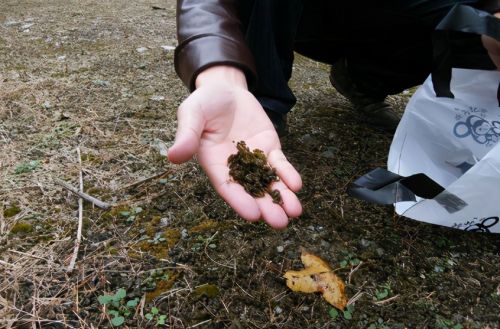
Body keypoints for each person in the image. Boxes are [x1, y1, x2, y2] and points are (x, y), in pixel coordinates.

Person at [168, 0, 500, 229]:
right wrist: (221, 72)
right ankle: (263, 101)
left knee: (473, 20)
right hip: (308, 16)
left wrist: (491, 20)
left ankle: (362, 78)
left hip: (387, 20)